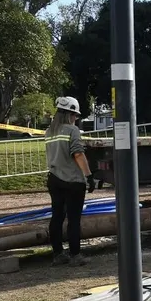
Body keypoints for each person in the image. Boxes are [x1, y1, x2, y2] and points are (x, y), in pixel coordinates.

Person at [45, 96, 95, 267]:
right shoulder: (72, 131)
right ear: (69, 114)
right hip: (73, 181)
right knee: (74, 219)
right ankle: (75, 255)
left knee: (57, 218)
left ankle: (58, 254)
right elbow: (78, 154)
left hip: (54, 179)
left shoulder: (49, 132)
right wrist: (88, 175)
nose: (76, 119)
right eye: (75, 115)